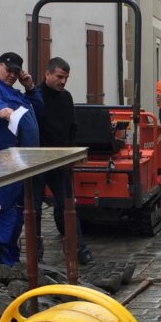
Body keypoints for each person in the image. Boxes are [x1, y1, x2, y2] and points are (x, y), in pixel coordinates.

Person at [0, 52, 42, 266]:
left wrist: (31, 88)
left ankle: (12, 265)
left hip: (22, 165)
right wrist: (3, 111)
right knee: (5, 218)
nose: (12, 75)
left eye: (16, 72)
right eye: (9, 70)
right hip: (3, 165)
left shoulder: (16, 92)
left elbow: (39, 110)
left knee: (17, 219)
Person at [31, 56, 93, 265]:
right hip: (38, 162)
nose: (63, 81)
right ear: (47, 74)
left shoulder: (66, 97)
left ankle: (79, 249)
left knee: (68, 205)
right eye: (59, 77)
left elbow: (72, 126)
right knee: (34, 209)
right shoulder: (36, 97)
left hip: (61, 163)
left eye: (66, 77)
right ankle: (35, 255)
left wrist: (71, 153)